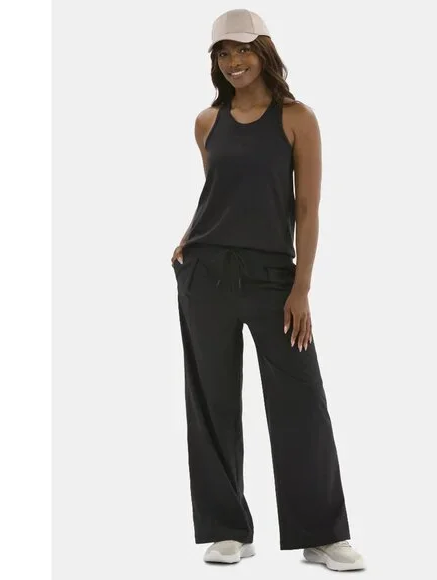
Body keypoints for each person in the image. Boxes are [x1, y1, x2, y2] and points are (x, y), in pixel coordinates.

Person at [170, 8, 366, 572]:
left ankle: (322, 534)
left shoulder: (297, 118)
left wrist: (302, 287)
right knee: (211, 400)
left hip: (273, 277)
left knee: (300, 401)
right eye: (223, 53)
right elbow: (221, 193)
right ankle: (227, 528)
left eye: (243, 50)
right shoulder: (207, 121)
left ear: (264, 51)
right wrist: (187, 239)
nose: (234, 62)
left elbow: (306, 207)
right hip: (205, 273)